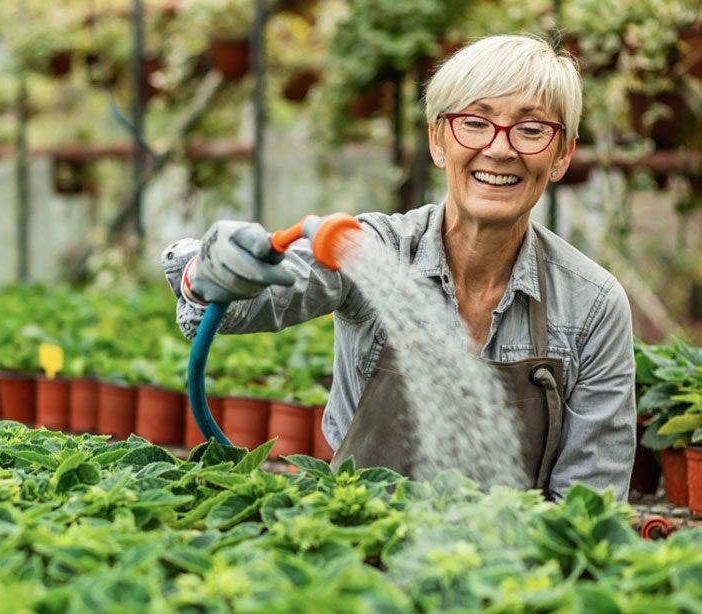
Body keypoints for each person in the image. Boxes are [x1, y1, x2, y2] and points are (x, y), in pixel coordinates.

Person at [162, 34, 636, 501]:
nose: (500, 149)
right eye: (475, 123)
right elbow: (241, 307)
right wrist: (206, 274)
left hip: (508, 566)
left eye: (531, 130)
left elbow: (589, 507)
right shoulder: (373, 250)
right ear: (437, 140)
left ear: (561, 156)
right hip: (360, 539)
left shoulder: (591, 304)